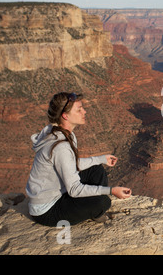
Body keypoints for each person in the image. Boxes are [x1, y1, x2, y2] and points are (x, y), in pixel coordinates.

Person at [26, 92, 132, 227]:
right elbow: (75, 190)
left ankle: (93, 205)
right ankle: (95, 209)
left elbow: (71, 165)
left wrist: (101, 159)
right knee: (103, 202)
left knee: (96, 169)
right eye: (79, 109)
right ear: (65, 116)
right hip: (46, 211)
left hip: (60, 193)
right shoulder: (61, 147)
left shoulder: (62, 133)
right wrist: (111, 191)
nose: (85, 111)